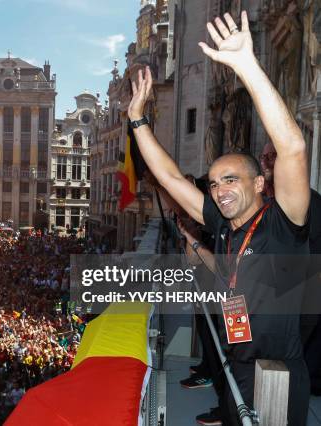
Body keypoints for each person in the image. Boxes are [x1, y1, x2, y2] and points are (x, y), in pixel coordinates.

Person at [128, 10, 311, 425]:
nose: (220, 190)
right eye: (213, 184)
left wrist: (247, 65)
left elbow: (295, 149)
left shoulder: (283, 224)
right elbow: (172, 178)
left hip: (277, 380)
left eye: (231, 179)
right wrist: (137, 120)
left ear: (262, 183)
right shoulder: (224, 228)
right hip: (235, 369)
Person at [259, 141, 321, 393]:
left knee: (285, 371)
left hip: (297, 305)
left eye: (272, 156)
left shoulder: (309, 202)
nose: (266, 162)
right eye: (263, 157)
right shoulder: (269, 200)